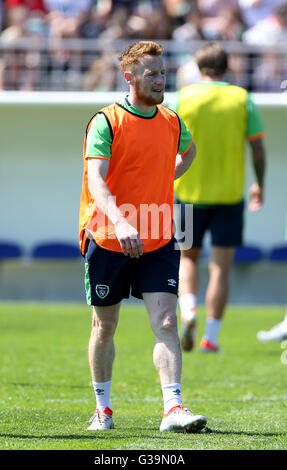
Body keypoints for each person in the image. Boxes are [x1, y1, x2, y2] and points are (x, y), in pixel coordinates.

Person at [79, 41, 207, 433]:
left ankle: (173, 408)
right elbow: (96, 182)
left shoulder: (171, 120)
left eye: (162, 72)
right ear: (129, 77)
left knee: (167, 321)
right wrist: (121, 221)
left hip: (157, 235)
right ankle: (103, 410)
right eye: (151, 73)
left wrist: (163, 176)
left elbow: (191, 150)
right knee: (105, 325)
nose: (159, 79)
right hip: (109, 235)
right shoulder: (106, 120)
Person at [171, 42, 266, 353]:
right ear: (228, 67)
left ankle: (189, 312)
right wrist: (259, 185)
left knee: (186, 258)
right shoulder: (241, 98)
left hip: (186, 193)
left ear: (199, 68)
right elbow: (258, 148)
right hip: (228, 195)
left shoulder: (184, 98)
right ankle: (210, 338)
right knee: (220, 268)